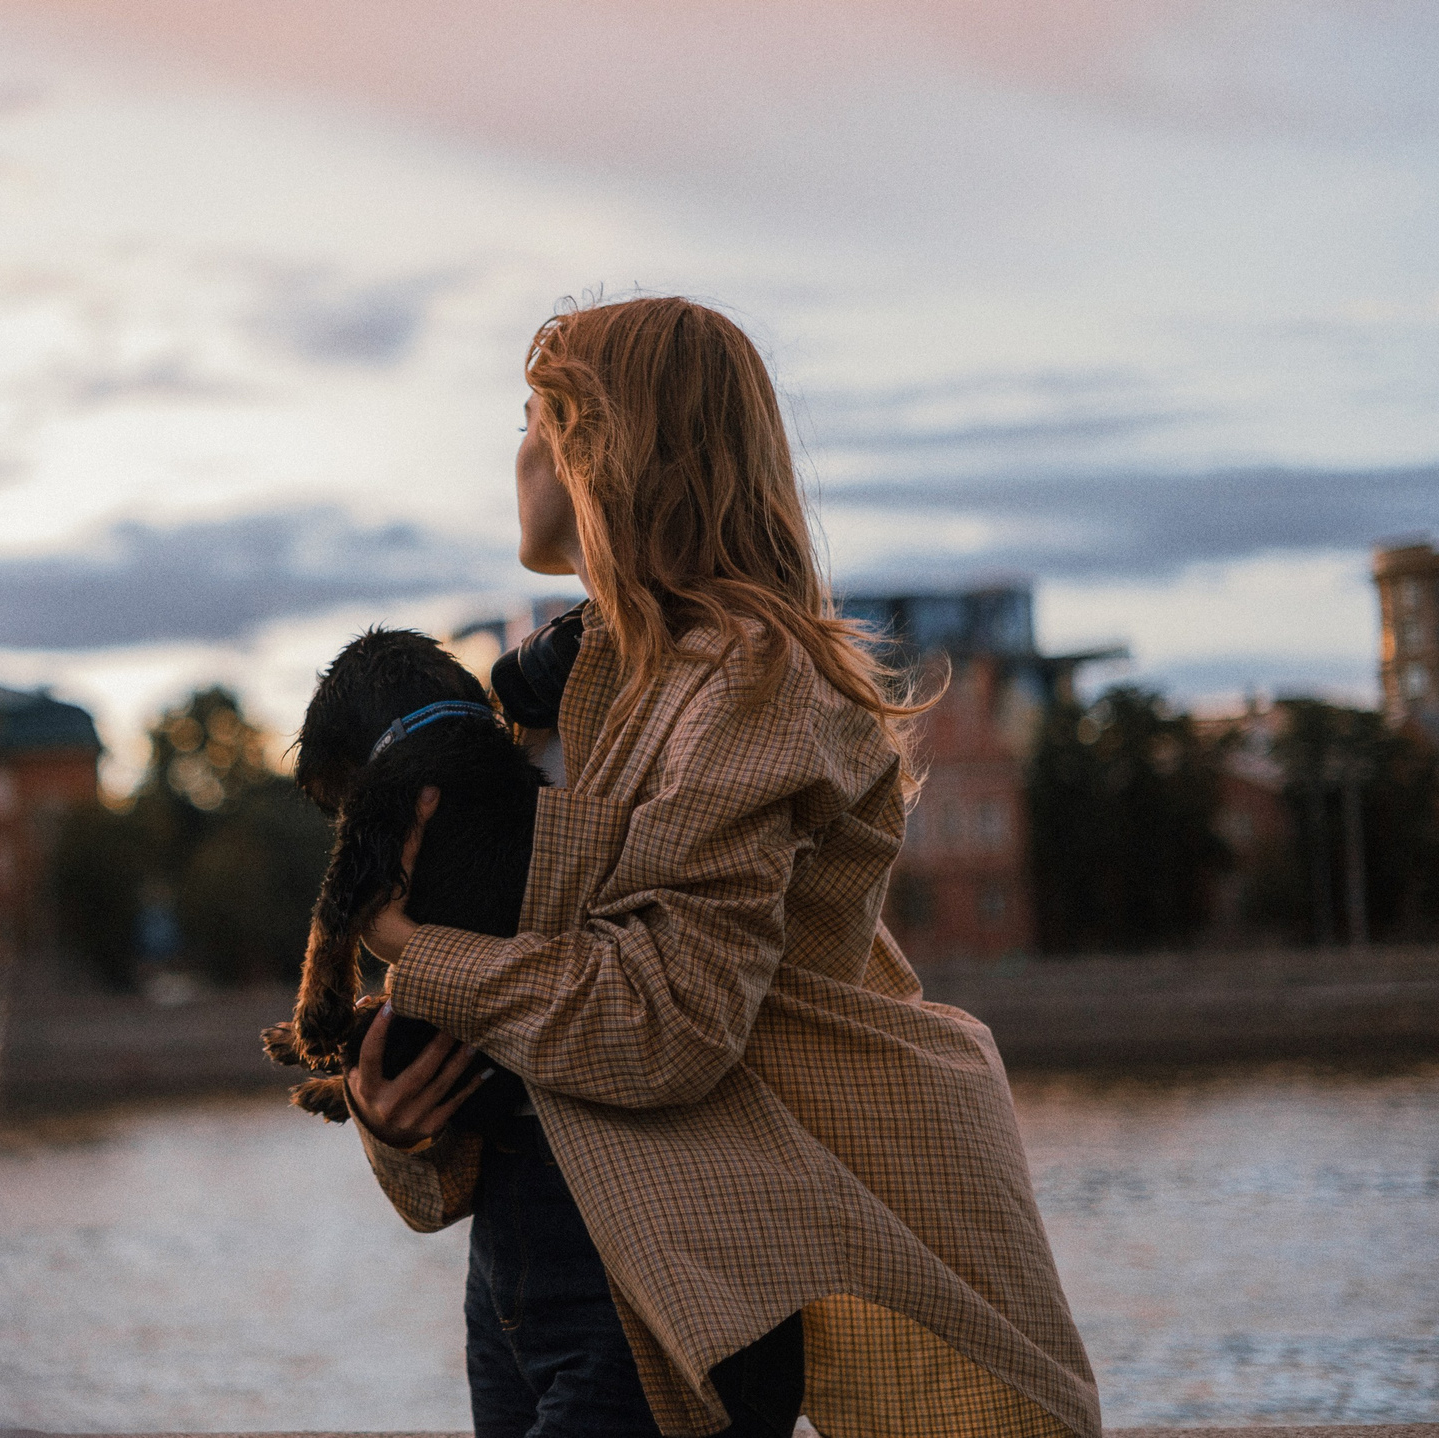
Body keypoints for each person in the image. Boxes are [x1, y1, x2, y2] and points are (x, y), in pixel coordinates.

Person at [343, 296, 1101, 1438]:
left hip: (659, 1293)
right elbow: (524, 999)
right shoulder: (560, 690)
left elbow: (670, 1021)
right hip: (527, 1269)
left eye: (533, 417)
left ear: (600, 444)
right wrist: (395, 1119)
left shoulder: (748, 681)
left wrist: (412, 951)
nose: (517, 451)